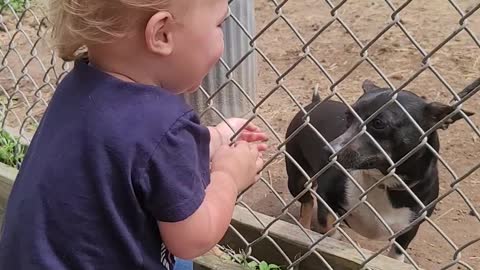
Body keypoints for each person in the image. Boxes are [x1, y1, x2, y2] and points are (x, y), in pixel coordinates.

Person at [0, 0, 268, 269]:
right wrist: (229, 176)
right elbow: (192, 239)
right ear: (162, 34)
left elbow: (136, 153)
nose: (223, 35)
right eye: (219, 24)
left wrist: (215, 138)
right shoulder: (163, 122)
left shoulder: (77, 89)